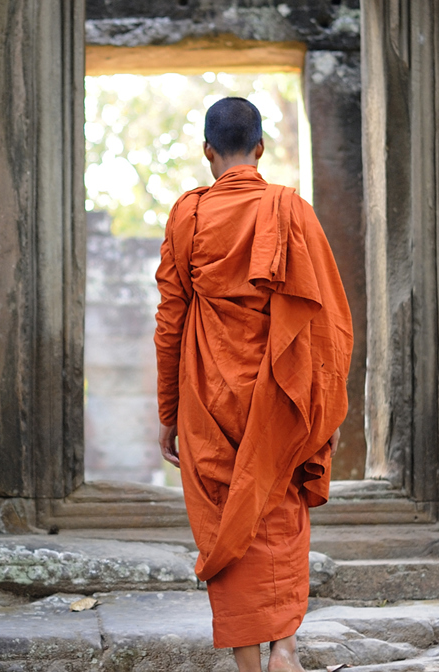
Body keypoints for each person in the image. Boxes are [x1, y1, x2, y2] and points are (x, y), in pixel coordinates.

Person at [154, 97, 353, 672]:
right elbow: (330, 322)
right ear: (260, 149)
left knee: (226, 516)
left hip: (208, 397)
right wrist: (321, 407)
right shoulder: (292, 210)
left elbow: (170, 321)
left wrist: (169, 413)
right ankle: (284, 650)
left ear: (208, 153)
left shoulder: (188, 216)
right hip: (281, 394)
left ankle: (248, 663)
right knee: (280, 509)